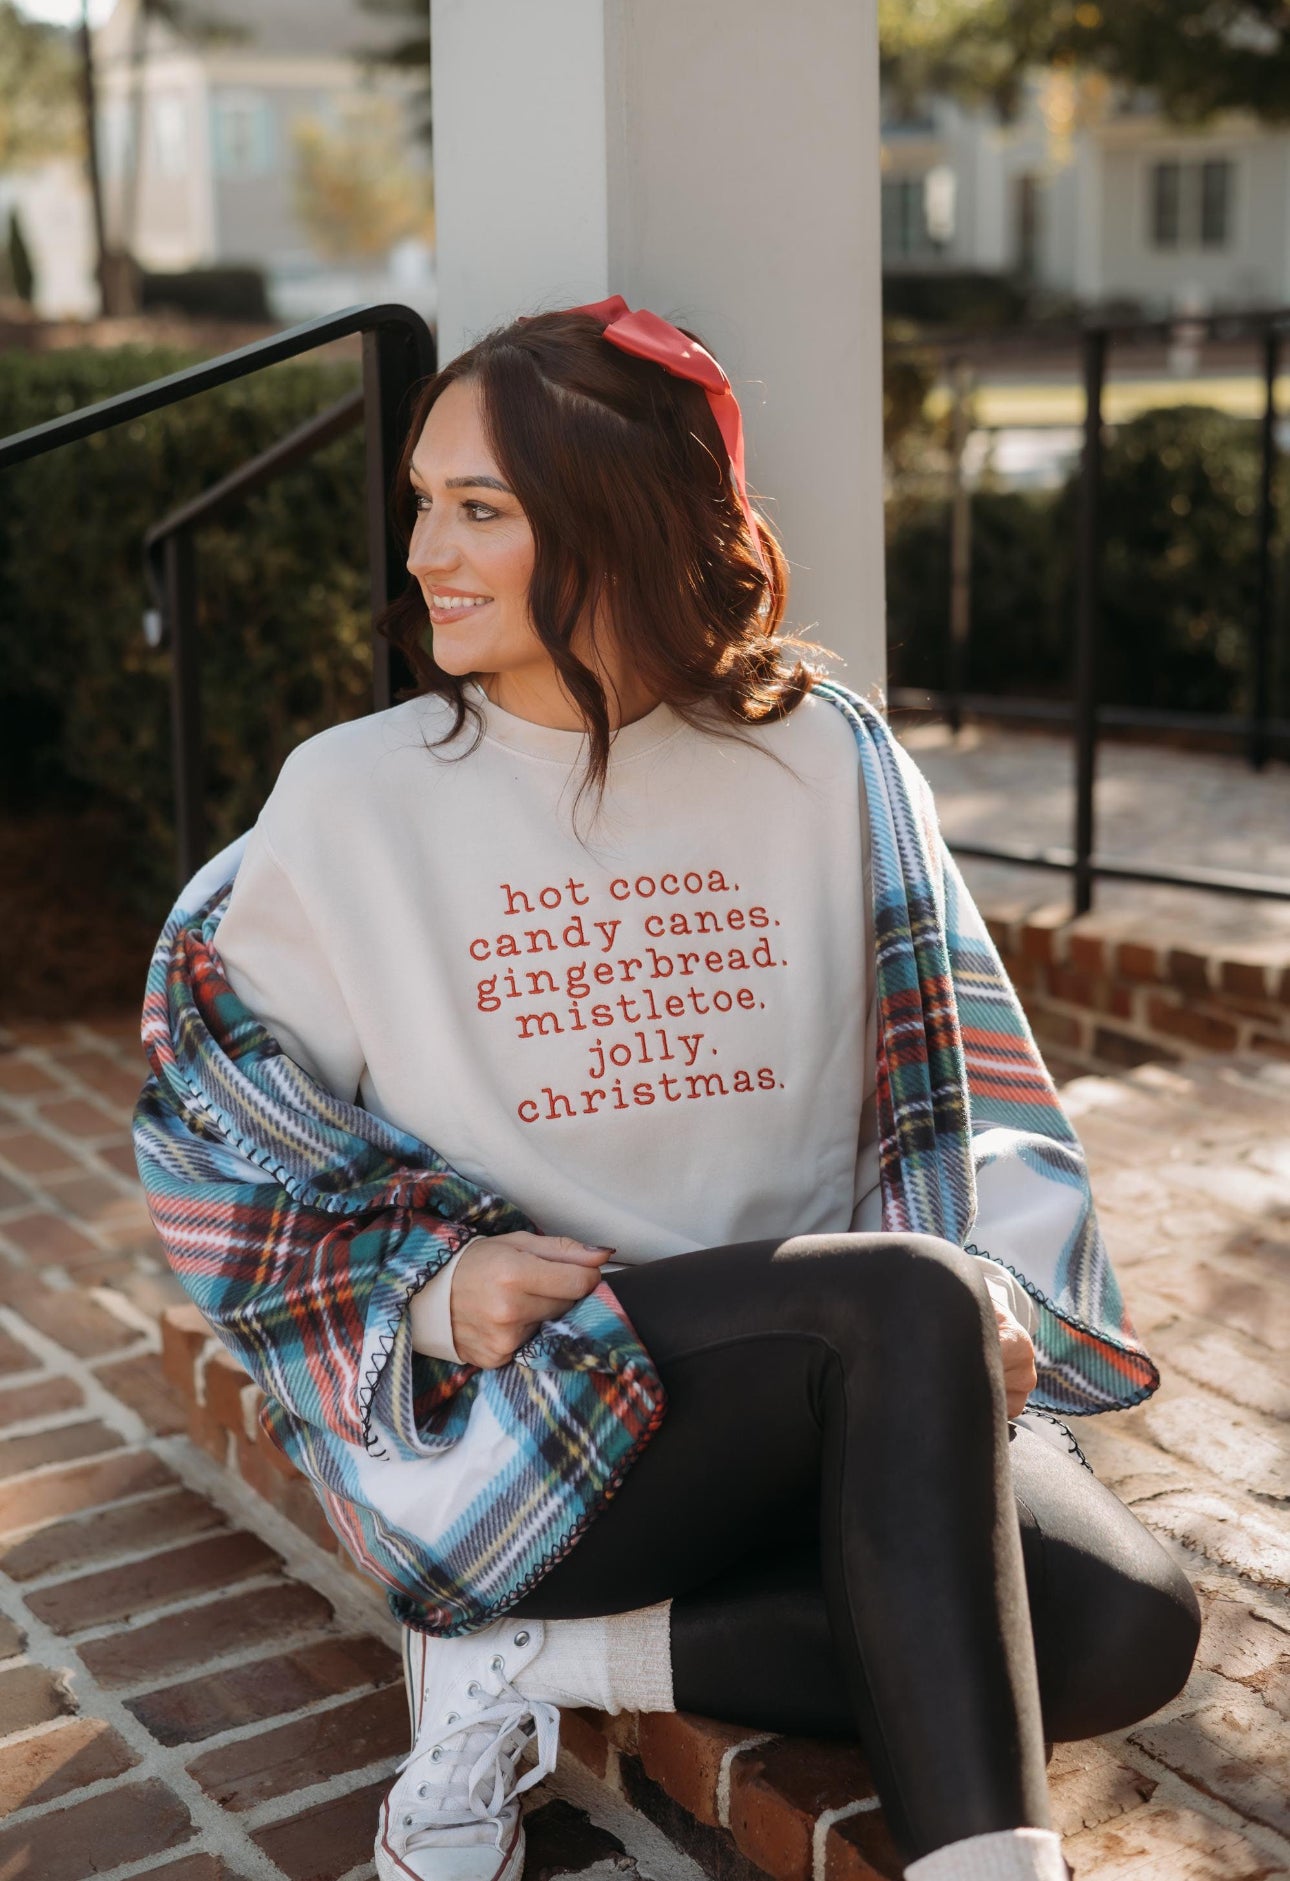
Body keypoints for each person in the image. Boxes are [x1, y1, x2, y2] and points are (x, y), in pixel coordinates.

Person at [168, 301, 1200, 1881]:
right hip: (557, 1405)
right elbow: (219, 1137)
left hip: (848, 1373)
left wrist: (984, 1278)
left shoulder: (826, 761)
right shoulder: (352, 798)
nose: (426, 554)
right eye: (423, 505)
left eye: (480, 509)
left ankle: (551, 1665)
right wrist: (432, 1286)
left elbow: (961, 1078)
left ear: (620, 520)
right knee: (905, 1303)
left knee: (1124, 1626)